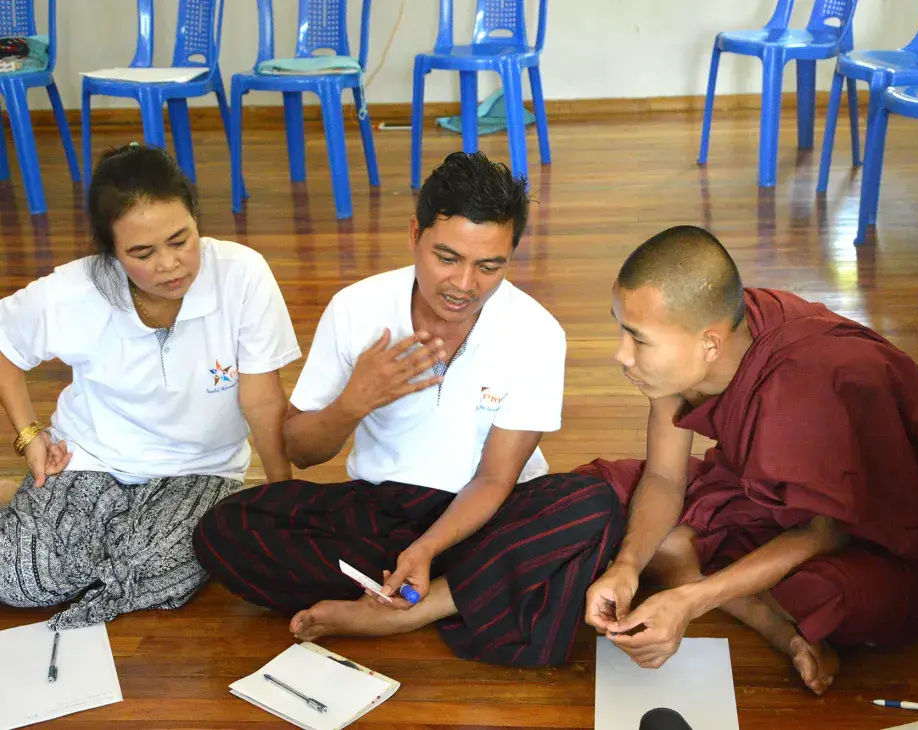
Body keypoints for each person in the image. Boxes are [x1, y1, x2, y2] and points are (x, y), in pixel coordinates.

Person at [194, 151, 624, 667]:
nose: (464, 285)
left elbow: (493, 481)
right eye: (447, 258)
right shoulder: (357, 309)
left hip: (486, 518)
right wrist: (356, 401)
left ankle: (405, 610)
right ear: (414, 234)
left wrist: (426, 549)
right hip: (381, 514)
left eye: (490, 266)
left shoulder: (536, 333)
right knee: (225, 529)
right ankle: (482, 593)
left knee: (594, 503)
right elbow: (300, 451)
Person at [580, 225, 918, 695]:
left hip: (881, 525)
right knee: (653, 540)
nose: (620, 354)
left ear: (710, 343)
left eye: (638, 339)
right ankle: (774, 624)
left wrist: (688, 600)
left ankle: (753, 605)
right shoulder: (696, 343)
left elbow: (825, 531)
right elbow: (666, 477)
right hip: (771, 486)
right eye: (619, 328)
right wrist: (627, 564)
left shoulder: (801, 388)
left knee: (830, 599)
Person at [0, 144, 302, 630]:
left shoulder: (242, 274)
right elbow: (5, 345)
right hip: (92, 456)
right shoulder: (75, 290)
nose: (169, 265)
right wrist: (29, 435)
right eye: (142, 253)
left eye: (180, 240)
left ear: (196, 217)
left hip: (201, 470)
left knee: (160, 565)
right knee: (19, 579)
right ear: (110, 252)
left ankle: (58, 529)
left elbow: (262, 399)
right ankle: (61, 527)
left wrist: (283, 495)